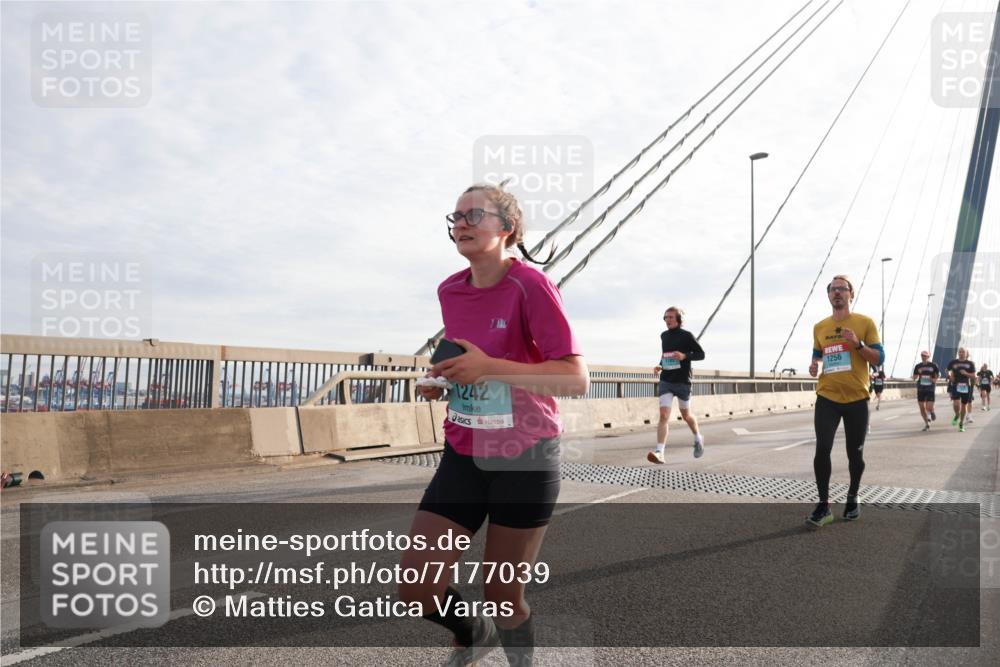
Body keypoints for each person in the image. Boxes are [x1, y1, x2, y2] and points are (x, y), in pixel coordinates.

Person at [400, 181, 589, 667]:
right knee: (415, 588)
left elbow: (573, 378)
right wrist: (442, 379)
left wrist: (488, 368)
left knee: (504, 595)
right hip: (463, 451)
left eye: (474, 215)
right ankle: (472, 630)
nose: (460, 223)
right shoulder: (449, 290)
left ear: (507, 228)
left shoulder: (531, 286)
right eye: (456, 216)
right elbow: (468, 355)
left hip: (525, 456)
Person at [807, 275, 884, 527]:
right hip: (827, 397)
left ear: (851, 294)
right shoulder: (820, 327)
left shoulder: (865, 322)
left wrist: (858, 344)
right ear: (828, 295)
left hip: (857, 399)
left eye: (842, 289)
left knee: (855, 454)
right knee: (822, 449)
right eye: (833, 289)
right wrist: (814, 365)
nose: (837, 293)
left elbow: (878, 359)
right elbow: (818, 355)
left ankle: (852, 495)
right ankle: (824, 504)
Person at [647, 306, 706, 464]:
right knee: (664, 415)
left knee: (686, 415)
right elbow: (666, 354)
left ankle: (698, 437)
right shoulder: (664, 336)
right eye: (666, 317)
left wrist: (684, 356)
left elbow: (701, 355)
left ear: (679, 319)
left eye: (671, 317)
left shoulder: (687, 336)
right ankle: (660, 452)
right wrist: (660, 365)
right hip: (666, 380)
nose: (668, 320)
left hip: (682, 382)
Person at [946, 348, 977, 432]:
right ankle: (957, 415)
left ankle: (961, 423)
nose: (961, 353)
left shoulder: (970, 364)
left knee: (964, 405)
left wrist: (966, 373)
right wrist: (950, 376)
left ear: (966, 353)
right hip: (956, 385)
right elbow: (947, 370)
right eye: (960, 352)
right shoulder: (953, 362)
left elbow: (974, 376)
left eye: (963, 352)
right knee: (956, 404)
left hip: (966, 386)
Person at [911, 351, 940, 431]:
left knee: (929, 407)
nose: (923, 357)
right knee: (922, 408)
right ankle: (927, 424)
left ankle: (932, 412)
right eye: (922, 355)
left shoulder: (933, 365)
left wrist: (933, 379)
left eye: (925, 356)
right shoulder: (918, 366)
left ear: (928, 357)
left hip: (930, 388)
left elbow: (938, 376)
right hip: (921, 388)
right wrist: (916, 375)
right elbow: (914, 377)